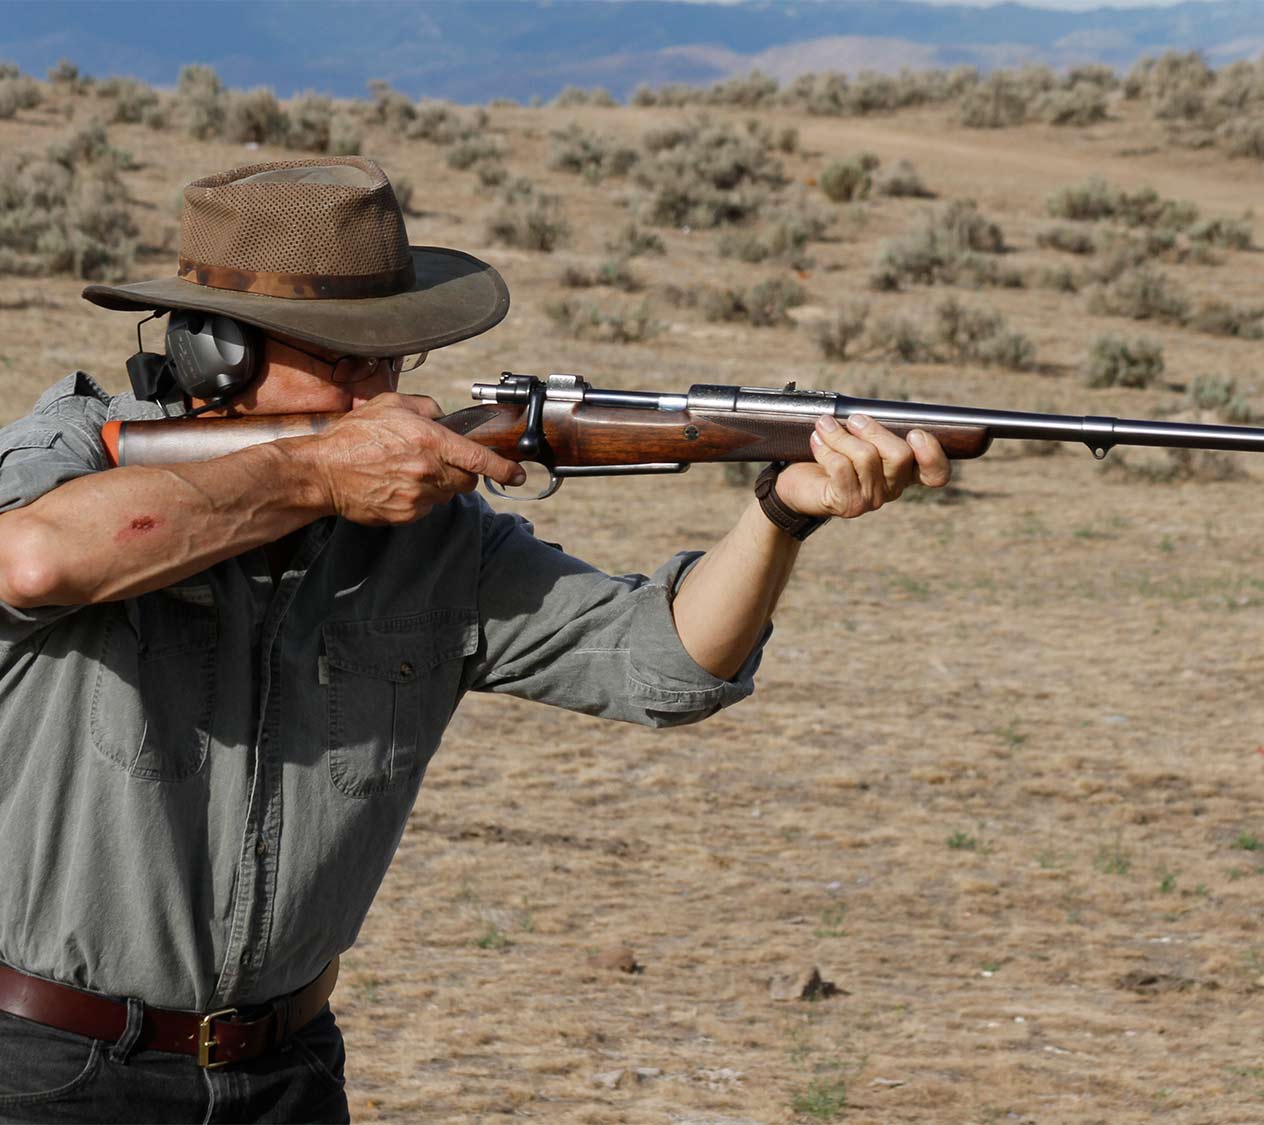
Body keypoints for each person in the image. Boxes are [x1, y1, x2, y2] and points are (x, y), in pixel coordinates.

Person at [0, 156, 950, 1122]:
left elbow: (668, 662)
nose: (376, 394)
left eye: (390, 357)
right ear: (215, 349)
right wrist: (321, 476)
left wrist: (782, 513)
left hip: (286, 1073)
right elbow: (33, 561)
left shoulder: (425, 530)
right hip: (47, 1069)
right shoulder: (73, 456)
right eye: (339, 356)